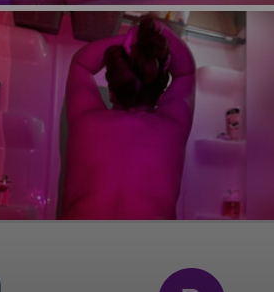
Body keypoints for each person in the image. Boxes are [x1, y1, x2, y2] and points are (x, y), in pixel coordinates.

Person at [59, 17, 196, 219]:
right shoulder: (172, 128)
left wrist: (131, 39)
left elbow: (81, 63)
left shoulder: (86, 120)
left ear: (111, 93)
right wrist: (155, 30)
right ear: (160, 96)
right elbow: (186, 71)